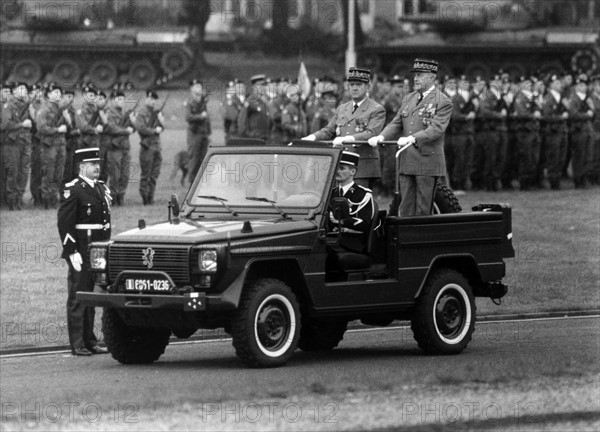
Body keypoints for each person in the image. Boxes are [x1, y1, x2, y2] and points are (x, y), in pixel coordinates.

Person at [369, 58, 452, 216]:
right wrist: (381, 136)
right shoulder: (408, 99)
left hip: (427, 160)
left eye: (420, 75)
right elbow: (396, 123)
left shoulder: (443, 101)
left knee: (423, 207)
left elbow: (436, 128)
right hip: (407, 160)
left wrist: (413, 138)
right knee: (405, 206)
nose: (416, 79)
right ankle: (405, 239)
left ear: (432, 77)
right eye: (415, 75)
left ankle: (421, 239)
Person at [57, 147, 110, 356]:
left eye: (98, 164)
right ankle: (78, 343)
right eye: (92, 165)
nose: (97, 167)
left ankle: (90, 341)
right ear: (81, 167)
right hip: (80, 250)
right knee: (78, 296)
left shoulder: (100, 188)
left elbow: (105, 224)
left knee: (92, 296)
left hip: (98, 252)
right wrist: (71, 251)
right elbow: (65, 223)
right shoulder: (74, 189)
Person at [303, 67, 386, 189]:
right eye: (351, 84)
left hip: (362, 165)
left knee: (358, 203)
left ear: (367, 87)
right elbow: (329, 130)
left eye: (359, 84)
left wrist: (349, 138)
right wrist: (312, 137)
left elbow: (371, 132)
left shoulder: (376, 109)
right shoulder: (342, 108)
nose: (354, 88)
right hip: (341, 164)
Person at [327, 151, 375, 272]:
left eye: (342, 168)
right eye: (337, 168)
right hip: (331, 239)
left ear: (353, 172)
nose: (338, 171)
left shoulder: (363, 194)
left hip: (353, 243)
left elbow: (365, 224)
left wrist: (343, 221)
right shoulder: (330, 193)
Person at [36, 82, 67, 209]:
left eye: (59, 92)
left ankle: (54, 197)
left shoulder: (60, 109)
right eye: (55, 92)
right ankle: (47, 199)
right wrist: (57, 130)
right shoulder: (45, 108)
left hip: (61, 144)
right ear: (48, 94)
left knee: (59, 174)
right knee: (49, 173)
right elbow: (41, 127)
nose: (58, 94)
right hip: (49, 145)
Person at [2, 82, 32, 210]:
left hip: (25, 142)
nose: (23, 91)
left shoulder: (25, 105)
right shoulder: (8, 105)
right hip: (12, 144)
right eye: (20, 89)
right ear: (14, 91)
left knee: (24, 172)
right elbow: (5, 125)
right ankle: (12, 200)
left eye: (25, 89)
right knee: (13, 172)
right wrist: (22, 125)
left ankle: (19, 198)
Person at [104, 90, 134, 205]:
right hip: (114, 147)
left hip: (125, 147)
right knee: (115, 175)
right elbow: (112, 128)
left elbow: (133, 128)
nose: (121, 102)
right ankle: (113, 197)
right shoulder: (110, 113)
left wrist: (132, 121)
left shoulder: (124, 113)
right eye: (118, 99)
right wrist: (126, 130)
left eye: (122, 99)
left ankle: (121, 195)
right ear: (112, 100)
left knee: (125, 174)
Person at [134, 89, 164, 205]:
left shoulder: (156, 113)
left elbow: (161, 128)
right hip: (147, 147)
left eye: (154, 100)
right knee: (146, 174)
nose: (152, 102)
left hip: (157, 146)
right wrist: (154, 131)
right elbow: (140, 128)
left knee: (154, 174)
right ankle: (145, 197)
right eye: (150, 99)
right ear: (146, 99)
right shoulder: (142, 113)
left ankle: (151, 196)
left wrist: (161, 122)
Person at [185, 79, 211, 183]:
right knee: (194, 159)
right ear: (191, 89)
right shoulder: (189, 102)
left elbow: (207, 118)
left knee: (203, 159)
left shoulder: (203, 101)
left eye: (200, 87)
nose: (199, 89)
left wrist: (208, 131)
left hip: (203, 133)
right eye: (196, 87)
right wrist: (200, 116)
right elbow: (188, 117)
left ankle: (202, 183)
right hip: (194, 134)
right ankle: (192, 183)